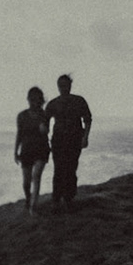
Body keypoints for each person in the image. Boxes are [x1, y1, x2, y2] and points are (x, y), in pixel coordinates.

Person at [44, 73, 93, 209]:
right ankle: (56, 199)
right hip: (58, 140)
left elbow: (87, 119)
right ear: (58, 86)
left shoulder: (79, 101)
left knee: (71, 168)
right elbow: (45, 122)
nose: (64, 88)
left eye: (66, 85)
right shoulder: (53, 103)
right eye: (61, 85)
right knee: (59, 169)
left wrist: (85, 137)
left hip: (74, 139)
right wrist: (44, 138)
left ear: (70, 85)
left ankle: (69, 198)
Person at [14, 86, 50, 213]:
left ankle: (33, 207)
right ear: (28, 99)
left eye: (37, 100)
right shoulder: (21, 116)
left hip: (41, 149)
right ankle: (29, 198)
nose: (34, 102)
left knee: (36, 176)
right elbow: (19, 134)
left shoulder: (44, 114)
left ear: (41, 100)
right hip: (26, 150)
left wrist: (44, 129)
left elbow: (47, 130)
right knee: (26, 183)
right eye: (32, 99)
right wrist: (15, 152)